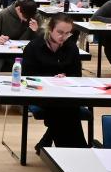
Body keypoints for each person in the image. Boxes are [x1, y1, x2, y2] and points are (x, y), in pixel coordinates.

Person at [22, 13, 90, 151]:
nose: (63, 37)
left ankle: (54, 146)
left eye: (67, 33)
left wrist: (66, 76)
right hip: (40, 93)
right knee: (66, 108)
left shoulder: (72, 48)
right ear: (50, 28)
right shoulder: (34, 46)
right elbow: (26, 77)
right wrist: (50, 79)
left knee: (67, 106)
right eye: (60, 32)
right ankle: (77, 151)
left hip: (65, 93)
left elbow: (77, 75)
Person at [0, 0, 41, 75]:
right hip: (2, 52)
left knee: (38, 62)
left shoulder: (36, 16)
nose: (26, 20)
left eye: (28, 18)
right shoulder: (3, 14)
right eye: (24, 17)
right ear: (18, 9)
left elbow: (45, 39)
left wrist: (37, 30)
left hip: (25, 52)